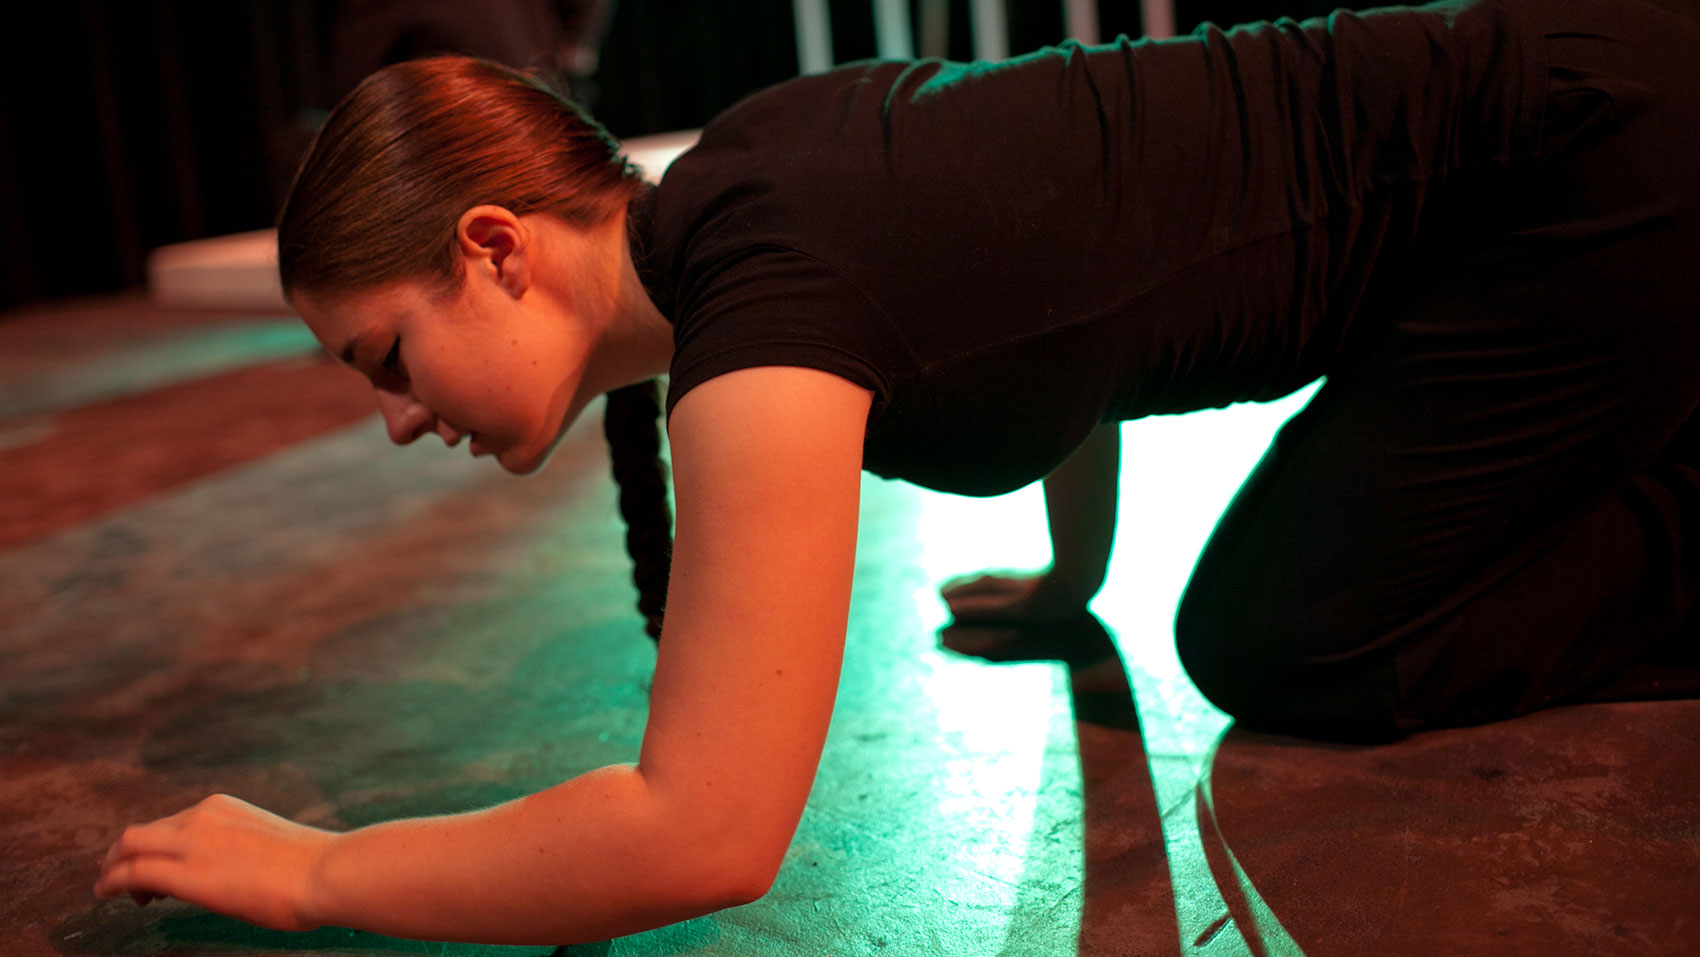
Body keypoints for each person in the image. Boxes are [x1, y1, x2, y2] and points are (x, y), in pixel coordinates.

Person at [93, 0, 1698, 945]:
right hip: (1578, 155)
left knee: (1293, 643)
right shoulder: (742, 190)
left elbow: (706, 830)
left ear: (495, 248)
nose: (390, 417)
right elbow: (1070, 272)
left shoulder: (766, 316)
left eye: (384, 358)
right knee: (1264, 621)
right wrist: (1075, 585)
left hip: (1594, 177)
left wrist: (314, 868)